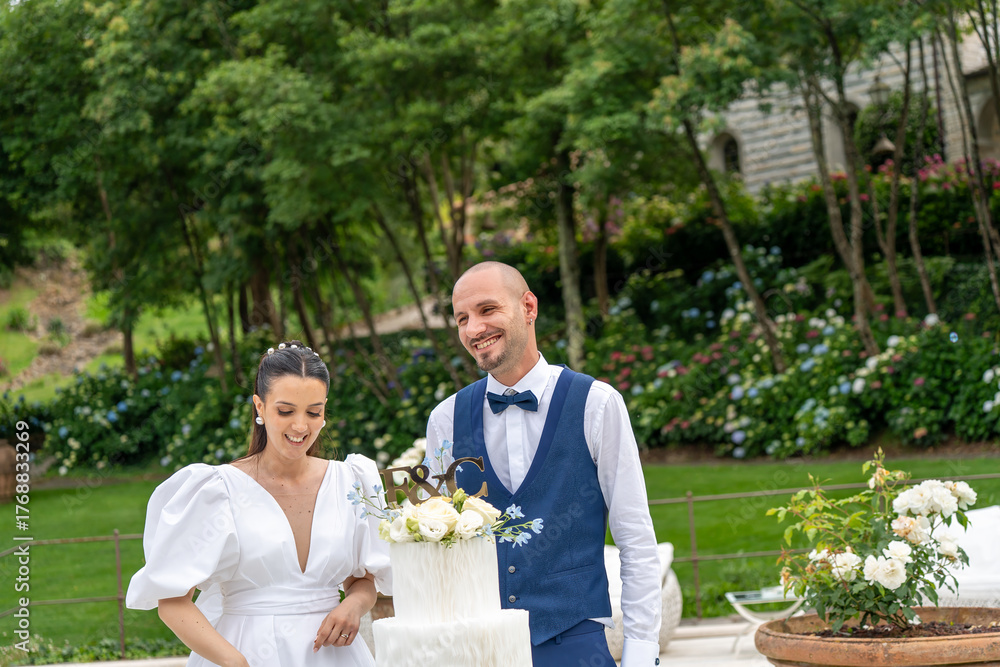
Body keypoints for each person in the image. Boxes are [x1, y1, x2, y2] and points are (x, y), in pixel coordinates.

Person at [426, 262, 662, 667]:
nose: (473, 329)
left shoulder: (596, 404)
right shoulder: (445, 419)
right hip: (479, 648)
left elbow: (635, 537)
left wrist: (641, 652)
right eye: (462, 318)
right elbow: (438, 552)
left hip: (576, 642)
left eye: (486, 310)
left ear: (529, 307)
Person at [127, 341, 390, 667]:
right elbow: (172, 601)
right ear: (259, 407)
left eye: (313, 412)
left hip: (335, 657)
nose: (300, 426)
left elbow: (363, 579)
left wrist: (355, 605)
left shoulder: (351, 481)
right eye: (285, 410)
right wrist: (237, 663)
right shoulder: (217, 490)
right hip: (245, 653)